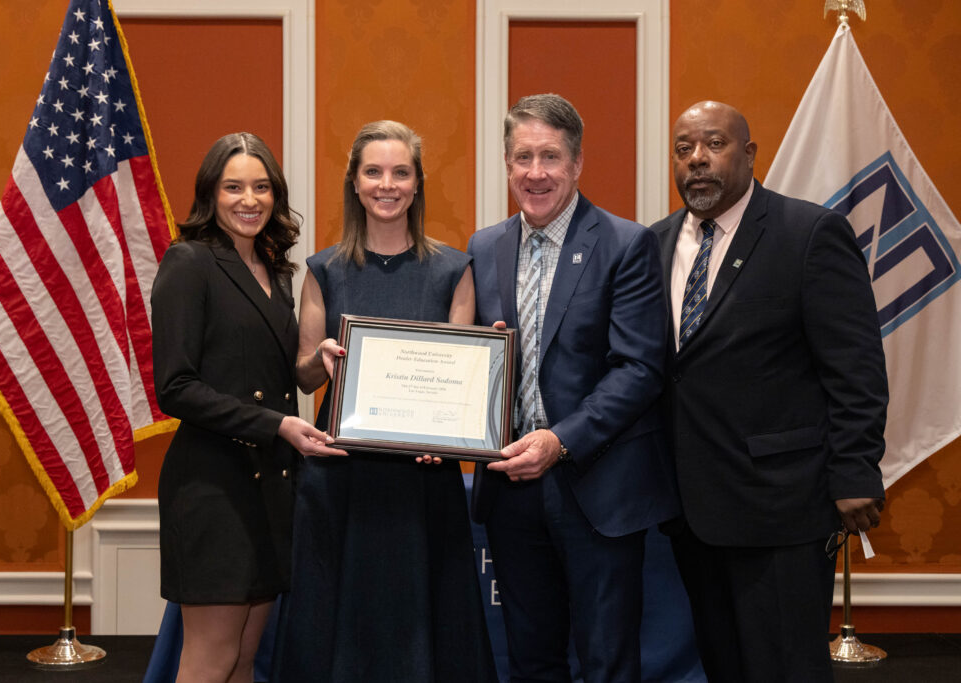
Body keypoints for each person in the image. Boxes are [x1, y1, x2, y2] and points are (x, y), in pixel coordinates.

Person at [650, 100, 888, 683]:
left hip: (783, 505)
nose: (697, 161)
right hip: (689, 507)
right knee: (724, 664)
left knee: (784, 666)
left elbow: (855, 366)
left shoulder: (808, 233)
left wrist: (856, 470)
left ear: (750, 153)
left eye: (714, 144)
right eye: (684, 149)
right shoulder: (652, 243)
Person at [467, 93, 680, 682]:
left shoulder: (625, 244)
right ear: (506, 165)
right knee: (532, 659)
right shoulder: (483, 247)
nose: (536, 173)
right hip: (510, 487)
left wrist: (558, 441)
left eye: (551, 157)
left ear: (578, 164)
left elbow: (639, 369)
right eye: (522, 157)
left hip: (597, 487)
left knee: (607, 661)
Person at [274, 120, 497, 682]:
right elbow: (303, 377)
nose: (387, 184)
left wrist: (452, 431)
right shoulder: (323, 269)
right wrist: (319, 356)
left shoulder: (454, 269)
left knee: (426, 624)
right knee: (337, 627)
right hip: (341, 477)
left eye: (401, 172)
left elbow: (462, 383)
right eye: (373, 171)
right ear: (354, 182)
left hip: (424, 480)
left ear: (418, 184)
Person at [151, 132, 345, 683]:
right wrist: (277, 425)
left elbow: (274, 376)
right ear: (210, 193)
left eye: (261, 187)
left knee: (242, 660)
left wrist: (320, 361)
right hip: (214, 489)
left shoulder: (274, 270)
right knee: (210, 659)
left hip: (269, 488)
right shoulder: (188, 262)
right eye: (233, 186)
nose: (248, 199)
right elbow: (176, 387)